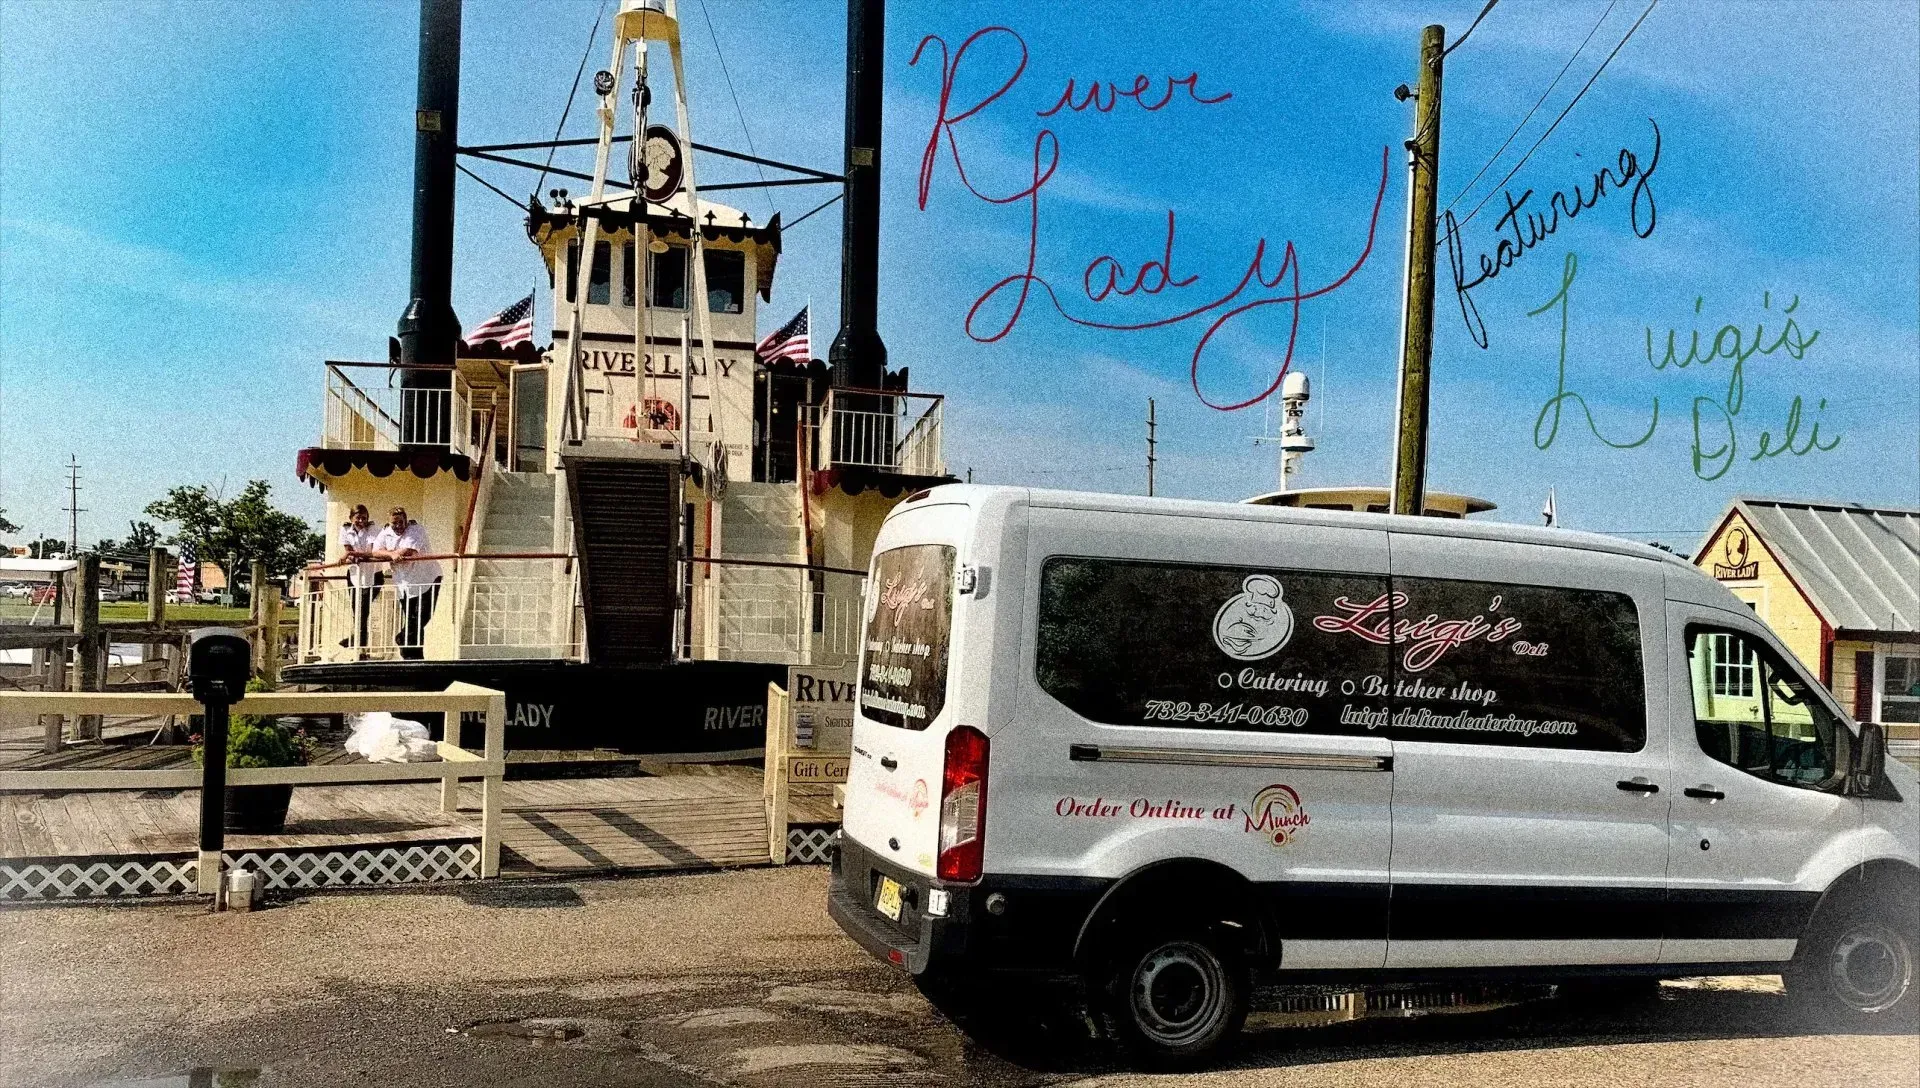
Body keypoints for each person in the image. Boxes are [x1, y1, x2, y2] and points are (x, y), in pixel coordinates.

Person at [373, 506, 442, 660]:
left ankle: (402, 638)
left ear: (406, 520)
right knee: (413, 621)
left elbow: (409, 550)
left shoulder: (416, 529)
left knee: (422, 617)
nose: (398, 526)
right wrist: (391, 554)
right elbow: (375, 551)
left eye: (401, 522)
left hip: (427, 580)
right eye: (394, 523)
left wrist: (395, 554)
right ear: (389, 523)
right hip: (405, 584)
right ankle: (414, 657)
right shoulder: (386, 532)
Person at [338, 504, 381, 655]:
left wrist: (350, 556)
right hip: (354, 574)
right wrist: (351, 555)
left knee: (363, 606)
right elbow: (348, 550)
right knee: (356, 607)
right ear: (351, 519)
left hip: (373, 575)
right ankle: (359, 639)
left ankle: (359, 639)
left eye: (364, 518)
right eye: (358, 518)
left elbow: (370, 552)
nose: (361, 521)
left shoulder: (372, 529)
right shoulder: (345, 530)